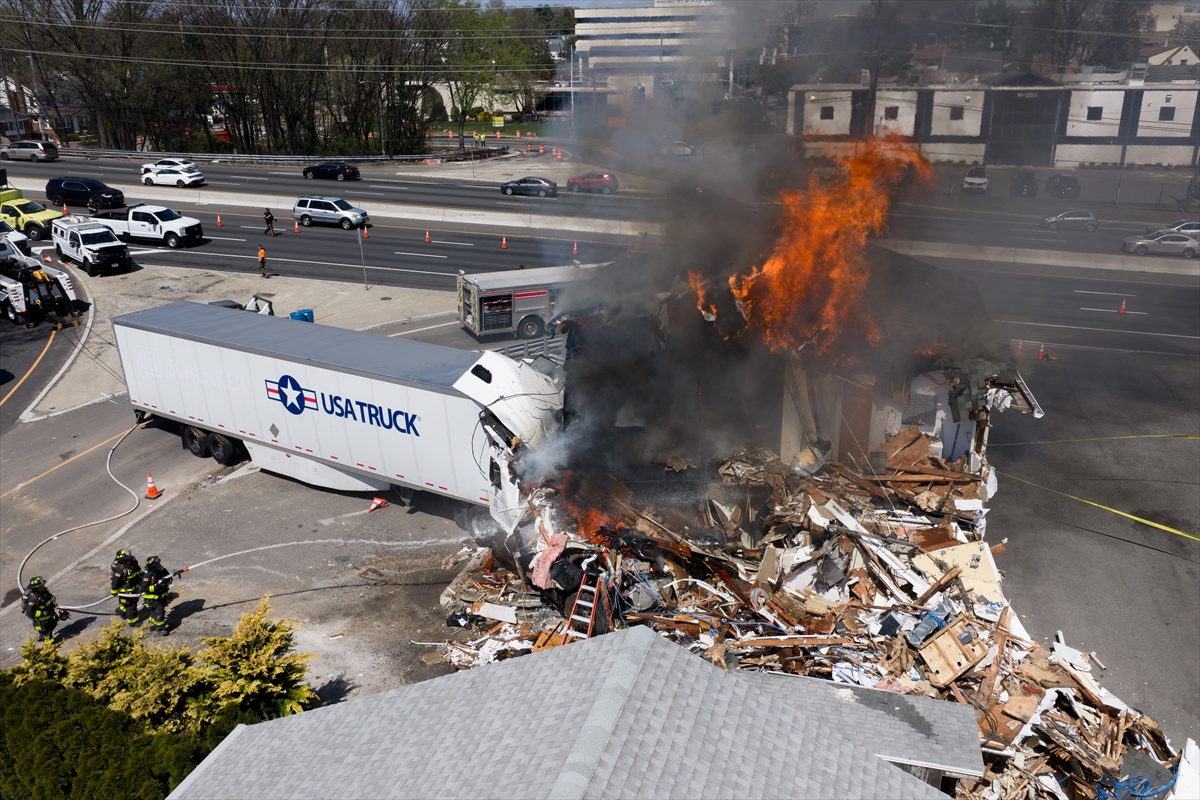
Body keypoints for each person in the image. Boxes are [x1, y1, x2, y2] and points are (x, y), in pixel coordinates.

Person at [22, 576, 68, 642]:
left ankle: (42, 636)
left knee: (52, 625)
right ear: (37, 588)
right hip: (41, 622)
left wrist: (53, 606)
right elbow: (29, 613)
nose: (43, 586)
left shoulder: (43, 592)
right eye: (41, 586)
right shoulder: (33, 599)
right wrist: (43, 613)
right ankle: (49, 647)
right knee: (47, 636)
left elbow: (48, 601)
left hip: (49, 617)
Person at [140, 556, 174, 636]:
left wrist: (166, 580)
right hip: (151, 598)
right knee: (159, 611)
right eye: (157, 565)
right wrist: (157, 586)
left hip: (160, 596)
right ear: (153, 567)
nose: (160, 566)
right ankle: (160, 628)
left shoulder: (162, 571)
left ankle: (152, 625)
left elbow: (170, 580)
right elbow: (145, 589)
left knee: (154, 611)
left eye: (159, 564)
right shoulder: (147, 575)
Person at [110, 548, 142, 625]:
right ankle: (133, 621)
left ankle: (121, 610)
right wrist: (114, 591)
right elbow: (115, 581)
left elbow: (140, 572)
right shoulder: (120, 568)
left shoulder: (133, 564)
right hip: (125, 591)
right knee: (131, 606)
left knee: (131, 603)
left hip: (134, 588)